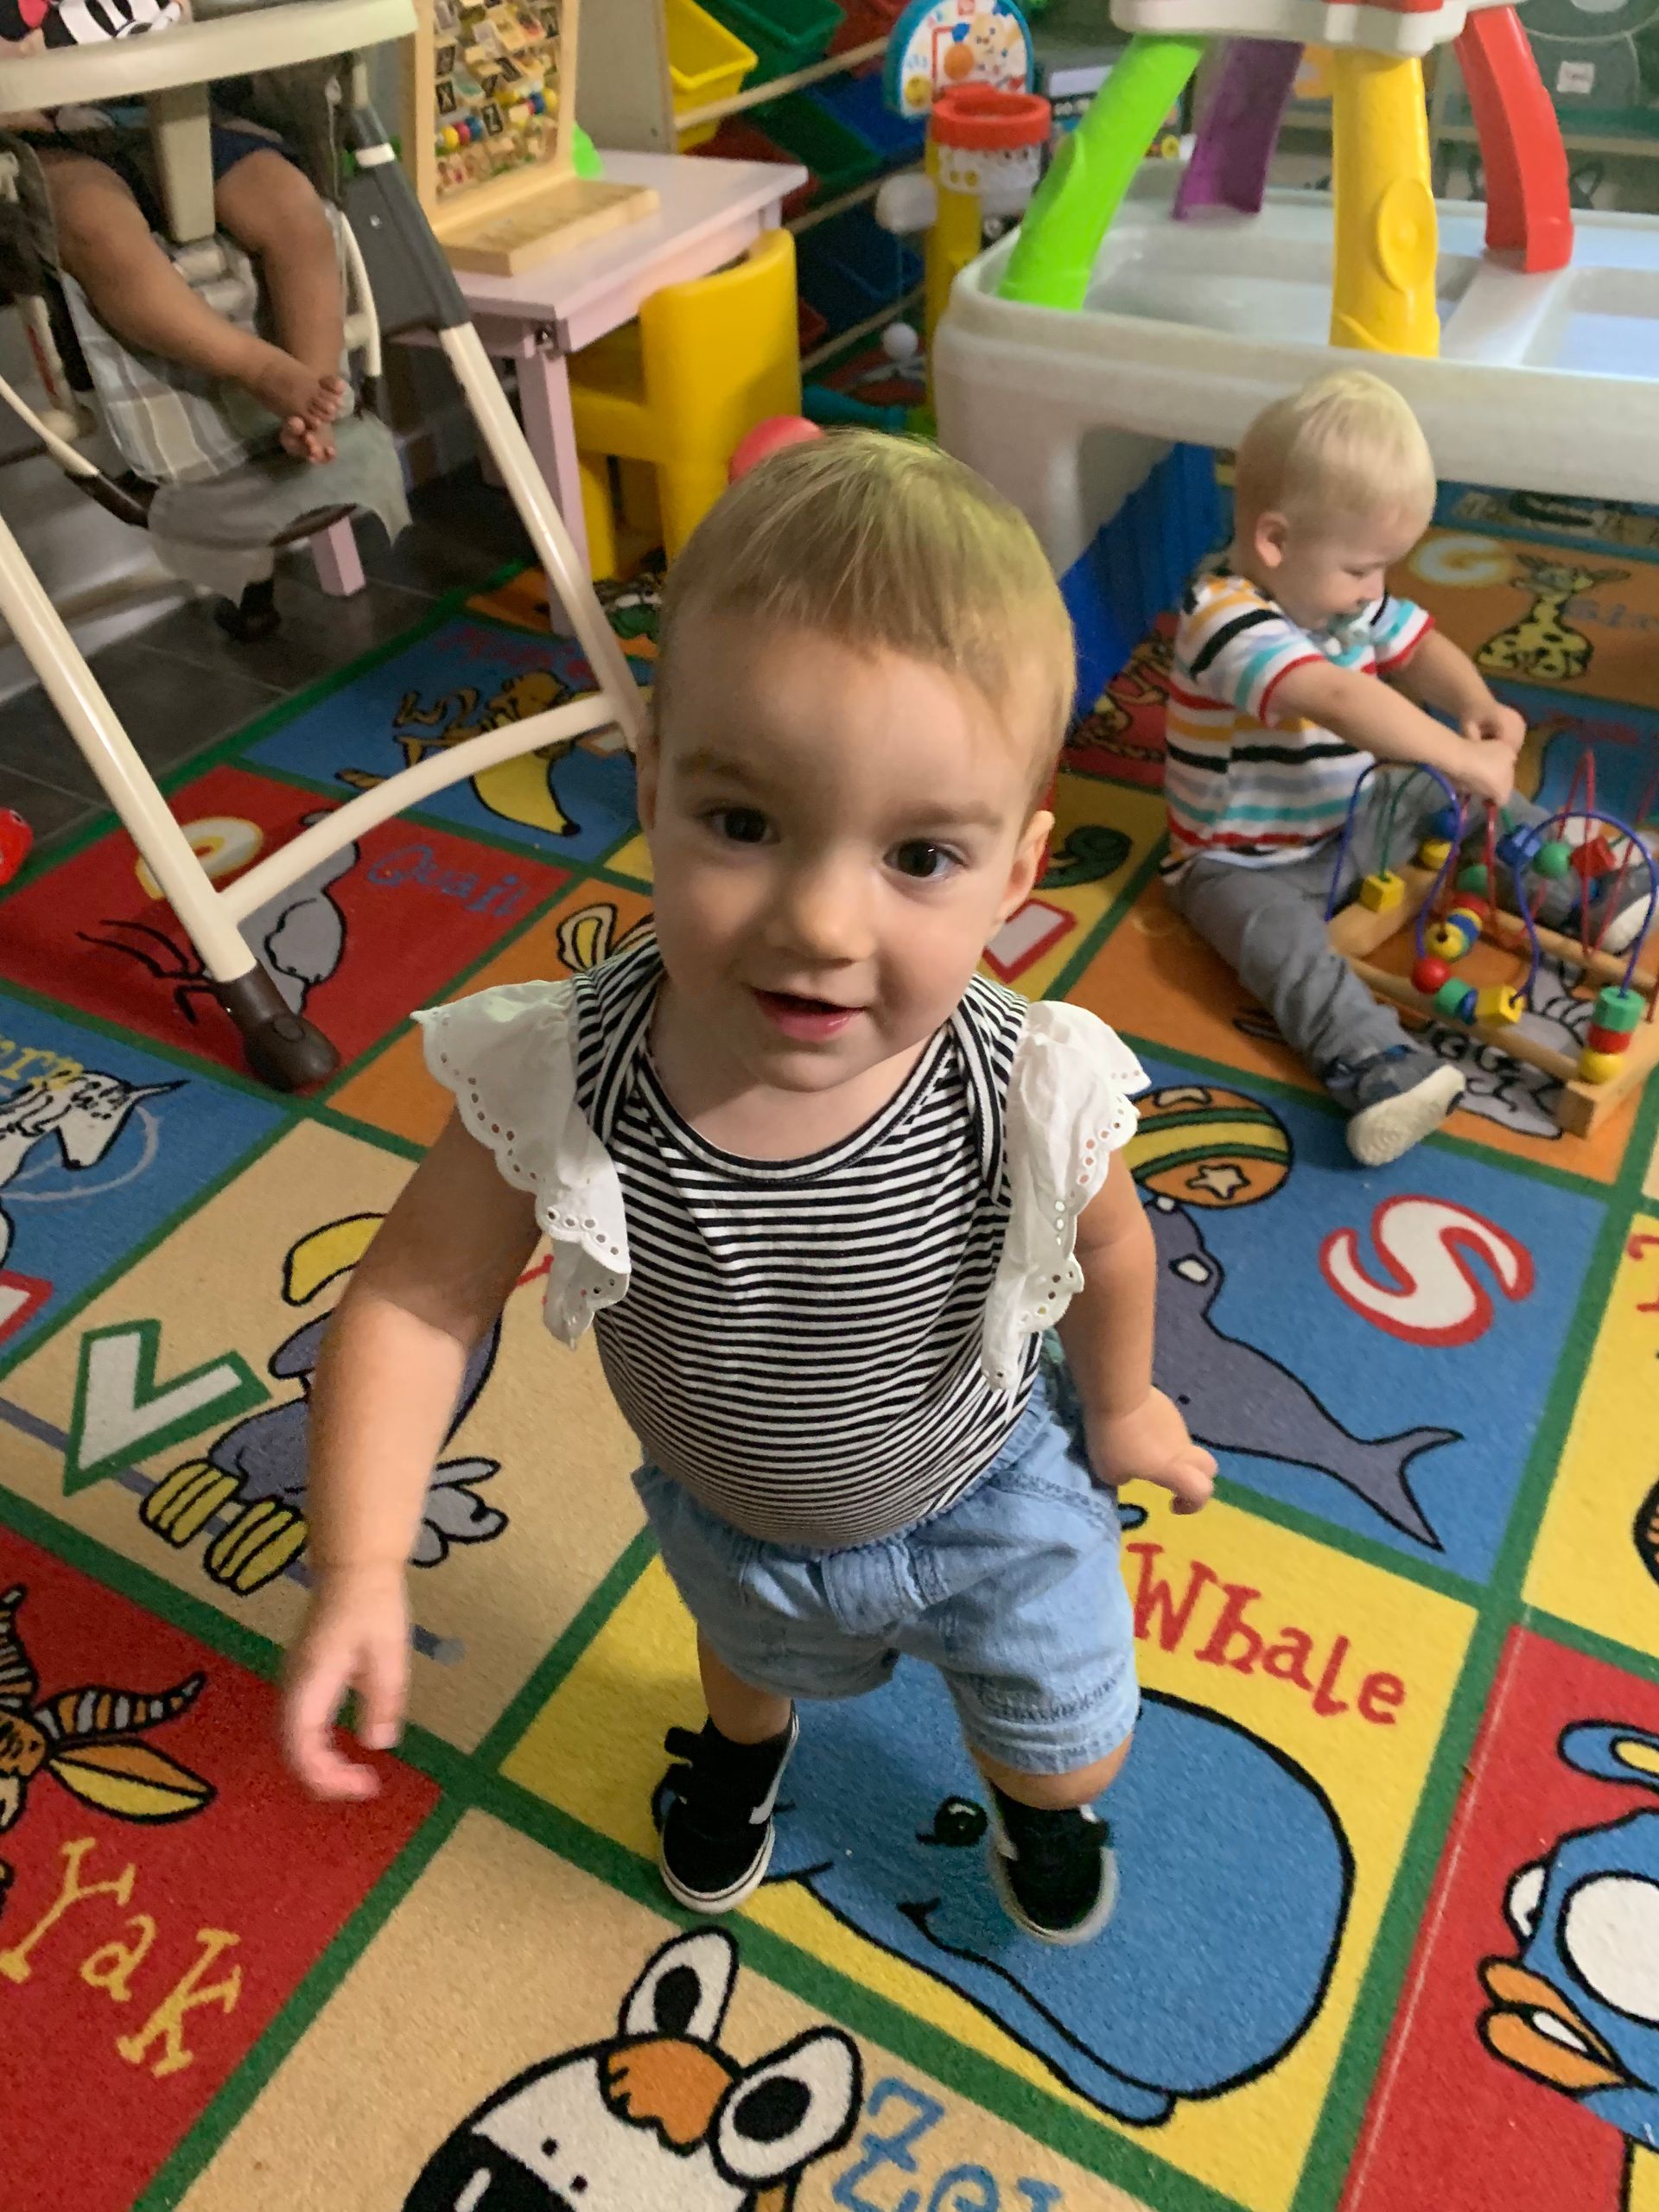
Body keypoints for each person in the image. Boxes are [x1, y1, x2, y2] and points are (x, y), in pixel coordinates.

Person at [282, 431, 1217, 1947]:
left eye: (919, 854)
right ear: (652, 789)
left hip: (984, 1491)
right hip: (738, 1517)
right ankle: (741, 1760)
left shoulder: (1022, 1082)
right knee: (742, 1659)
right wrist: (362, 1559)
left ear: (1019, 870)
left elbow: (1113, 1247)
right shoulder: (570, 1070)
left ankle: (1045, 1809)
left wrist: (1123, 1409)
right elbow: (415, 1292)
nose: (820, 920)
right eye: (742, 823)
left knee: (1071, 1739)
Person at [1164, 369, 1645, 1166]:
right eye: (1361, 567)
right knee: (1276, 945)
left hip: (1355, 814)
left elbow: (1417, 645)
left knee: (1440, 789)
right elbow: (1338, 697)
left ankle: (1584, 890)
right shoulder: (1223, 618)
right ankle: (1377, 1063)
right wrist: (1456, 752)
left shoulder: (1346, 595)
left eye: (1387, 566)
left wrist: (1475, 706)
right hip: (1243, 862)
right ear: (1274, 541)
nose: (1373, 590)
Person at [2, 10, 346, 464]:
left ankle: (314, 393)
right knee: (99, 233)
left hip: (181, 111)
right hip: (51, 141)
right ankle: (257, 367)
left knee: (294, 207)